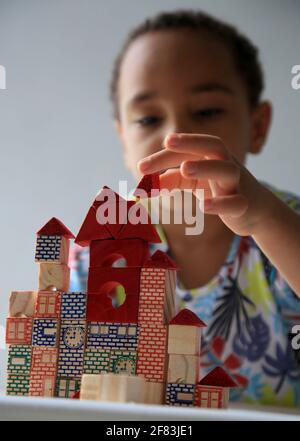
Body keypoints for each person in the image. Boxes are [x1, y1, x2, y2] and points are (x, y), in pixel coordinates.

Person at [70, 10, 300, 407]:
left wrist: (263, 217)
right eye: (148, 118)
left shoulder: (284, 223)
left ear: (258, 126)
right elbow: (74, 379)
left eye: (207, 111)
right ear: (125, 141)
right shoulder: (99, 247)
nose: (176, 135)